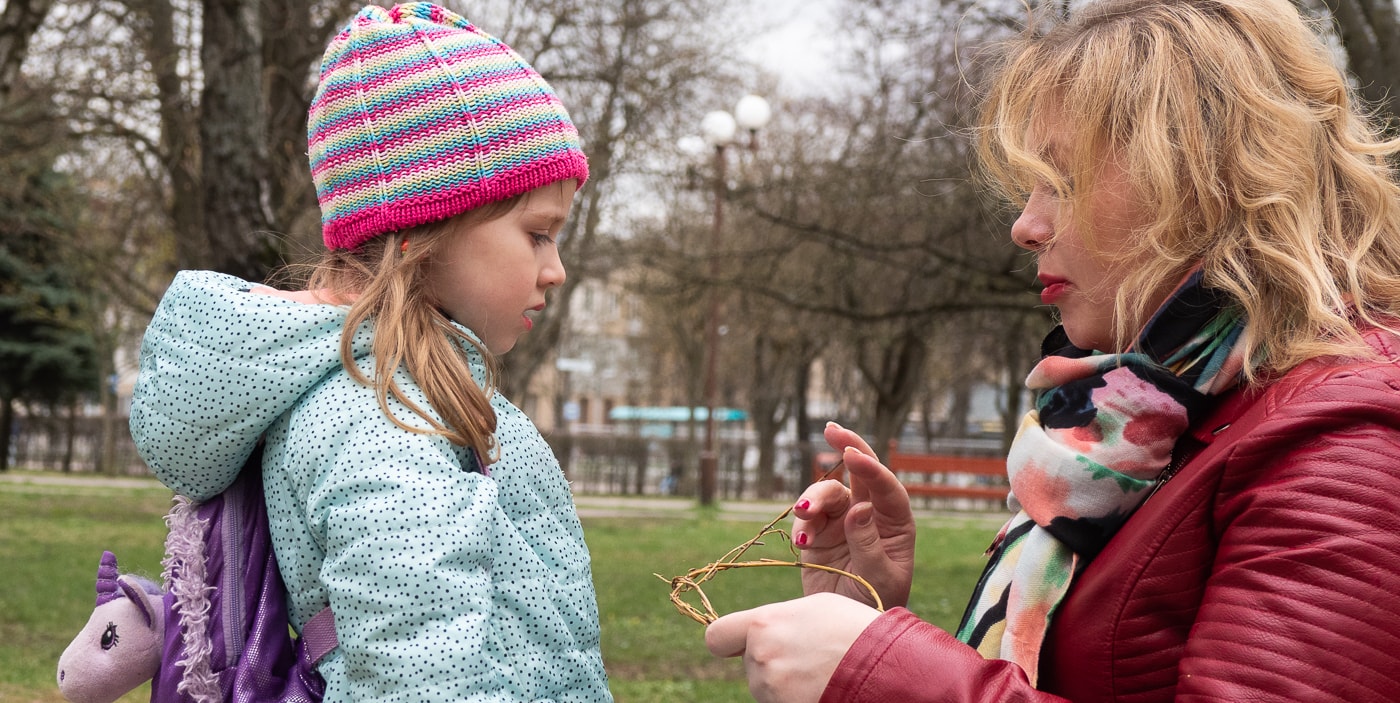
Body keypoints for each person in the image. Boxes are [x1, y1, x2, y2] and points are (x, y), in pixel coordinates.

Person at [705, 0, 1400, 700]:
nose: (1025, 225)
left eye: (1063, 182)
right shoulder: (1143, 423)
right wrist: (869, 620)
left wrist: (886, 672)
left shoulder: (1350, 438)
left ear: (1208, 183)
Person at [127, 4, 611, 701]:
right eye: (538, 233)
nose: (555, 268)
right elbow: (418, 674)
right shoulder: (384, 420)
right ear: (420, 229)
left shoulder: (405, 394)